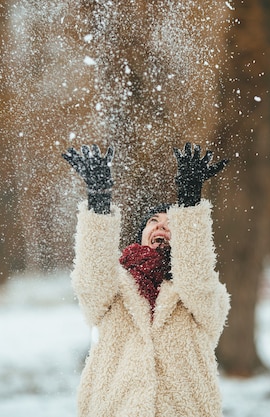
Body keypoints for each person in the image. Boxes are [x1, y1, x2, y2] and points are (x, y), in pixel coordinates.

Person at [62, 142, 230, 417]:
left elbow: (195, 277)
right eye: (153, 220)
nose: (162, 224)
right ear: (141, 235)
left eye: (172, 222)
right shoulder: (114, 287)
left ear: (185, 235)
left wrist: (189, 202)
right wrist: (99, 202)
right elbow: (91, 280)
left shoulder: (205, 296)